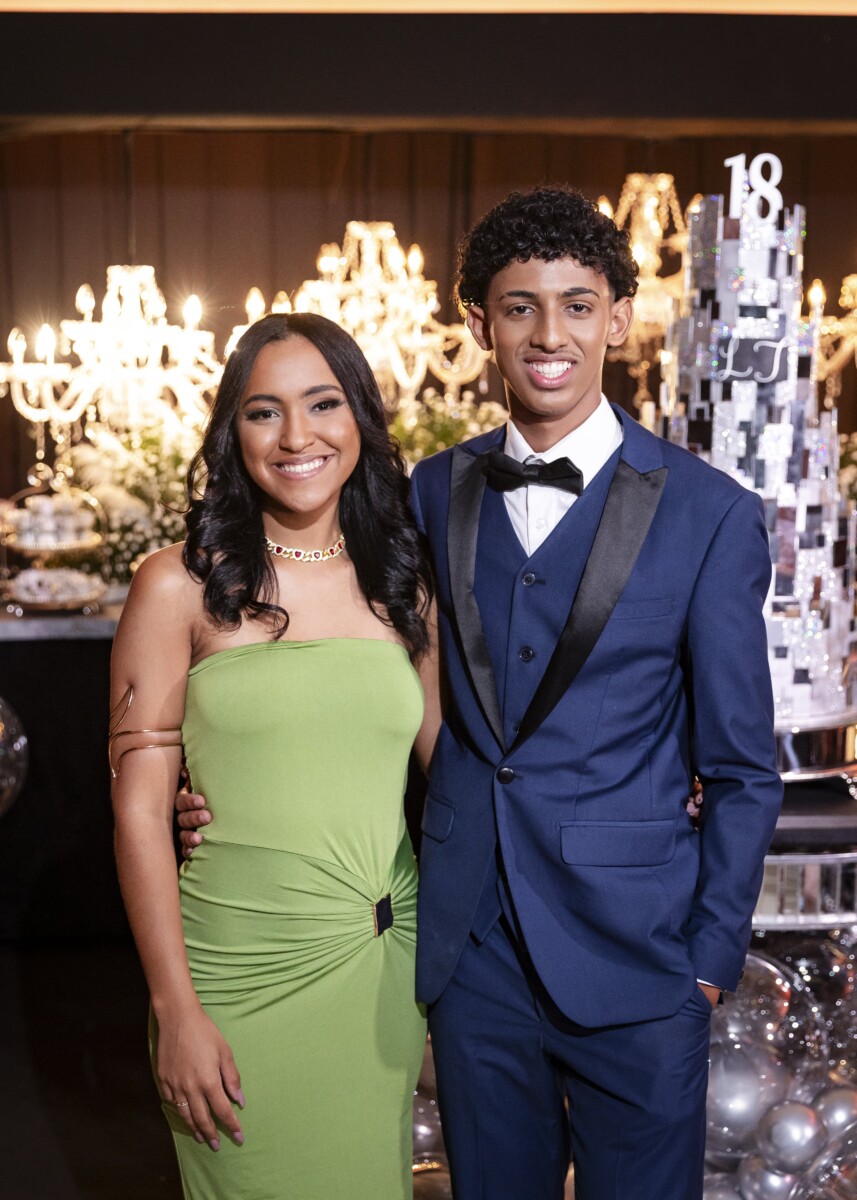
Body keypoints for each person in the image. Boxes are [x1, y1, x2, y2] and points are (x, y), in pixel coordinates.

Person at [178, 187, 783, 1200]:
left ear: (617, 320)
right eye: (518, 307)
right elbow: (330, 664)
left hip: (640, 961)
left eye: (577, 305)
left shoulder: (710, 514)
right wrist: (207, 789)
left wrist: (705, 964)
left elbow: (739, 769)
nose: (549, 335)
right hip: (472, 960)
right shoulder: (427, 492)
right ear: (477, 326)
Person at [110, 312, 440, 1200]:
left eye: (323, 404)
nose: (297, 437)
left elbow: (464, 774)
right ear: (234, 432)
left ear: (360, 419)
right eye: (264, 412)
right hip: (234, 976)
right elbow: (138, 812)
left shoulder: (404, 585)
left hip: (381, 968)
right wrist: (174, 1007)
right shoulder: (176, 584)